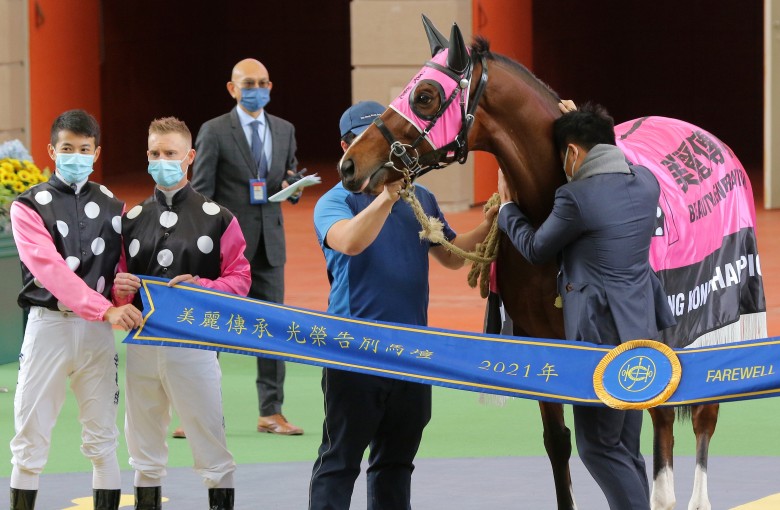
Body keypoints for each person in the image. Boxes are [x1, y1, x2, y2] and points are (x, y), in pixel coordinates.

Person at [309, 101, 498, 509]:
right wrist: (386, 199)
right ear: (348, 148)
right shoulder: (334, 202)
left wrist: (489, 224)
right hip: (353, 353)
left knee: (396, 462)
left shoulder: (421, 198)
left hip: (411, 352)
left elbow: (449, 253)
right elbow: (351, 242)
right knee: (340, 460)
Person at [496, 102, 675, 510]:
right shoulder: (646, 181)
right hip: (642, 332)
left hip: (598, 339)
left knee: (599, 449)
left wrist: (507, 209)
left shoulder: (576, 198)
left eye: (564, 158)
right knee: (625, 447)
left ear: (573, 154)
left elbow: (536, 249)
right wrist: (582, 119)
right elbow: (610, 154)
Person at [113, 117, 251, 510]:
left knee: (209, 442)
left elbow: (239, 279)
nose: (162, 160)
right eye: (155, 154)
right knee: (142, 446)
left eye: (170, 153)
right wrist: (119, 291)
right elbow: (117, 282)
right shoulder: (130, 220)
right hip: (142, 345)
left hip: (193, 345)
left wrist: (203, 288)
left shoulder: (219, 218)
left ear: (189, 157)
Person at [9, 109, 143, 510]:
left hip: (97, 335)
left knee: (103, 437)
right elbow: (50, 271)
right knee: (30, 435)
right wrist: (106, 310)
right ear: (52, 150)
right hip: (49, 327)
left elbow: (122, 271)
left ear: (96, 152)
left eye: (84, 149)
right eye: (68, 148)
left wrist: (122, 298)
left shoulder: (114, 207)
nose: (76, 156)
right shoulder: (27, 206)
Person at [191, 58, 304, 436]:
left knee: (273, 327)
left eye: (263, 82)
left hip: (270, 246)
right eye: (248, 83)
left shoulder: (285, 130)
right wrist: (204, 244)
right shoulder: (214, 131)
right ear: (232, 88)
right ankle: (199, 411)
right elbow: (202, 192)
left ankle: (271, 412)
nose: (257, 89)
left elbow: (285, 176)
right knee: (213, 328)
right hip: (225, 250)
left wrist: (293, 186)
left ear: (271, 86)